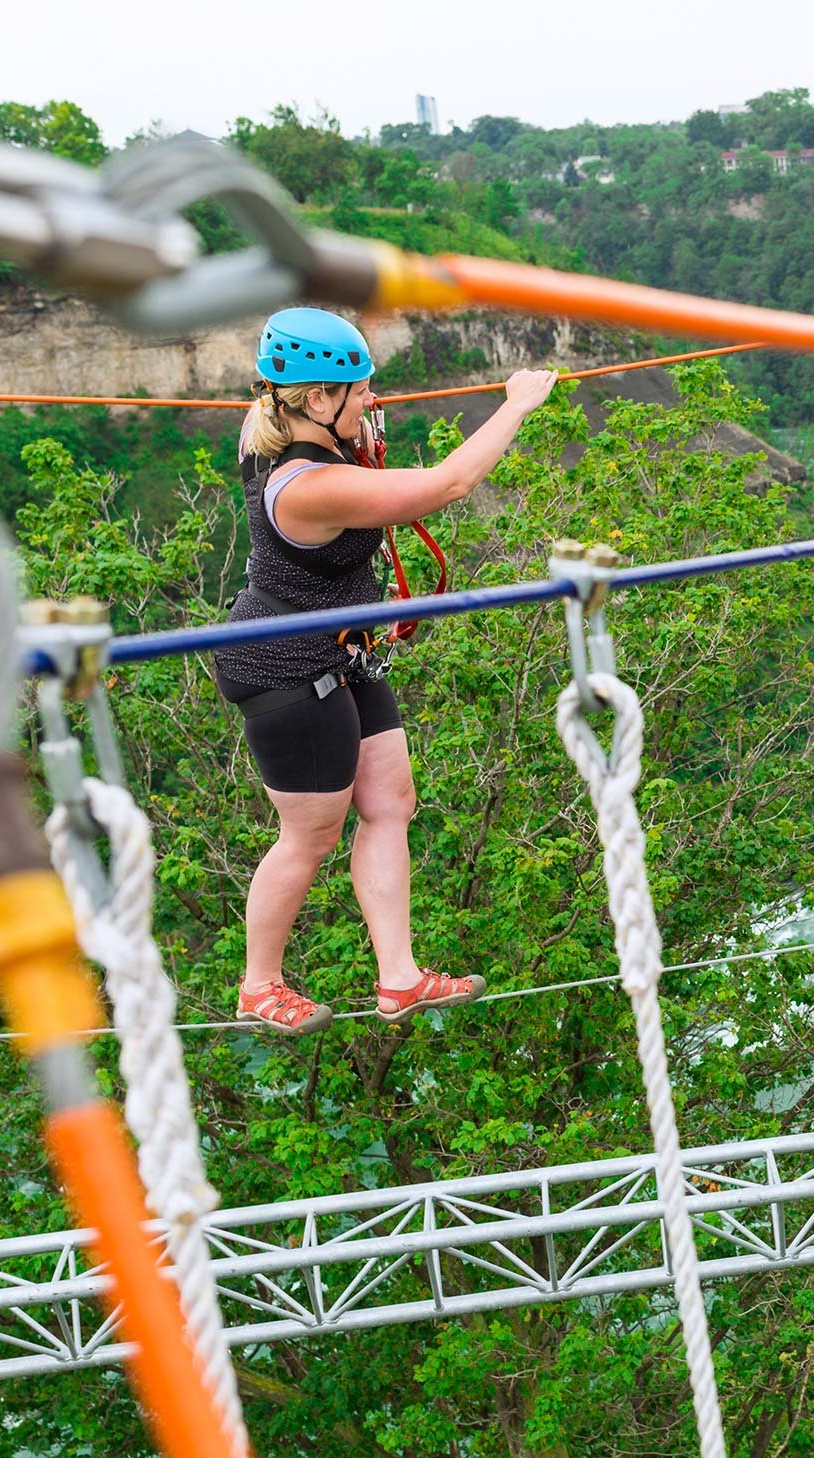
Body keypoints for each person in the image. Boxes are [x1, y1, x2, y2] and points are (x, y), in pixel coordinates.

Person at [214, 307, 558, 1036]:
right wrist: (517, 403)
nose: (372, 400)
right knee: (309, 834)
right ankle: (258, 984)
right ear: (315, 401)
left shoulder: (287, 429)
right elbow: (447, 486)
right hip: (284, 663)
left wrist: (356, 431)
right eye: (361, 391)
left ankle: (399, 979)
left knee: (391, 802)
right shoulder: (305, 486)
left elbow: (314, 426)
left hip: (340, 651)